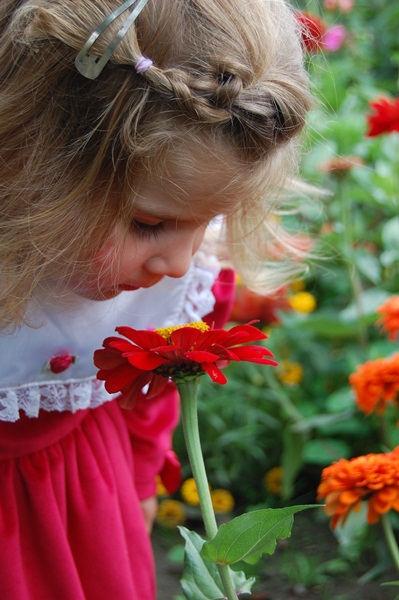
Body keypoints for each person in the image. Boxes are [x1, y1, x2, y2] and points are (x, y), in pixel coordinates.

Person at [0, 0, 312, 598]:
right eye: (148, 224)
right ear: (30, 165)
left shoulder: (174, 284)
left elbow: (149, 397)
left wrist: (144, 483)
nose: (177, 261)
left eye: (206, 223)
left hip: (89, 507)